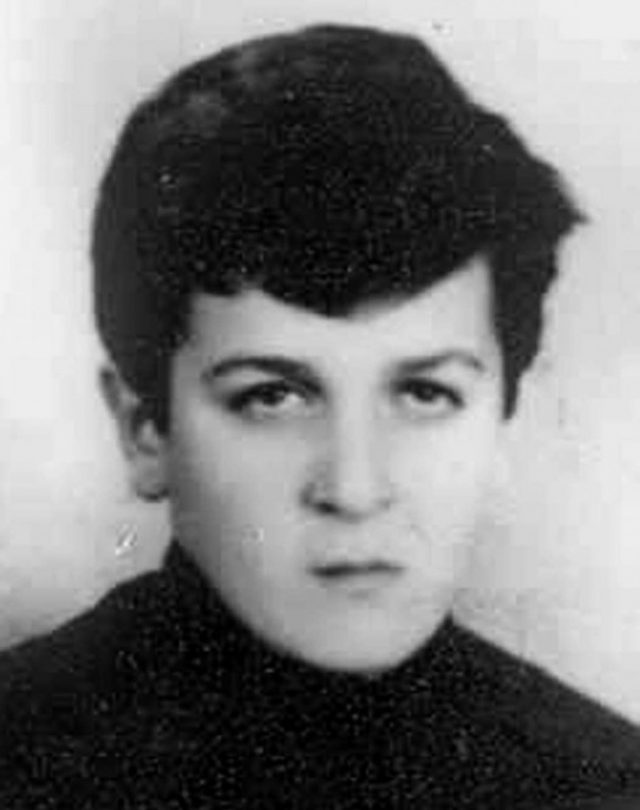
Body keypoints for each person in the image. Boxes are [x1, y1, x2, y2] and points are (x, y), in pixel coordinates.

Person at [0, 22, 639, 810]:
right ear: (144, 430)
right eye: (272, 396)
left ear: (504, 417)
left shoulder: (606, 784)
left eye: (426, 393)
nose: (355, 488)